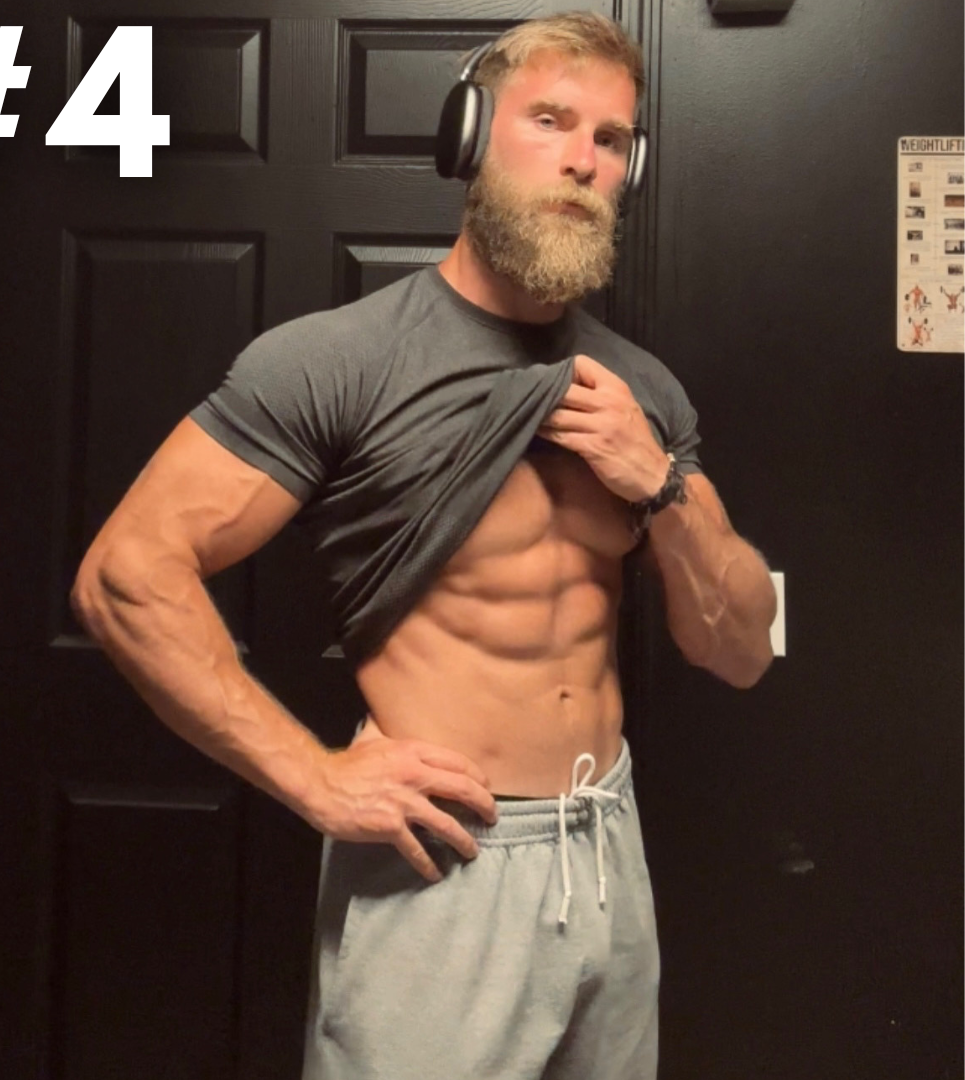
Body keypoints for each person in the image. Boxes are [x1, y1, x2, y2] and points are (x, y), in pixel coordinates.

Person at [72, 12, 776, 1080]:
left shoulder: (643, 392)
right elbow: (124, 577)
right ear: (470, 135)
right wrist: (314, 777)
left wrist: (661, 484)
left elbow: (743, 648)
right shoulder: (340, 362)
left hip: (606, 851)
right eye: (550, 120)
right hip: (448, 863)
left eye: (611, 139)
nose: (583, 159)